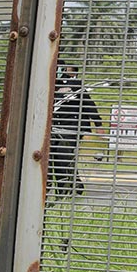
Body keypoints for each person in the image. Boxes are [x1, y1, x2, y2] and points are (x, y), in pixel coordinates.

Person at [50, 61, 103, 200]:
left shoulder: (75, 85)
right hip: (56, 127)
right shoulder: (51, 85)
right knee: (56, 157)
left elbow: (88, 104)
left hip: (72, 127)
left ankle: (73, 188)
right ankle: (64, 189)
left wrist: (98, 123)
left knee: (64, 155)